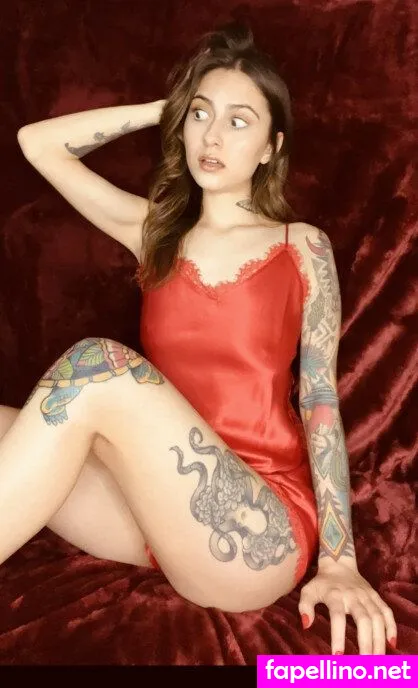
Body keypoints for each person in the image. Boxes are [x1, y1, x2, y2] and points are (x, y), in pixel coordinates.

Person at [1, 20, 396, 653]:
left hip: (259, 529)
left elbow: (320, 400)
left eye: (239, 121)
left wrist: (340, 561)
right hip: (157, 521)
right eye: (200, 115)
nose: (212, 136)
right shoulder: (153, 232)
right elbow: (37, 144)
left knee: (97, 364)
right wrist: (165, 108)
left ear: (270, 148)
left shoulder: (301, 246)